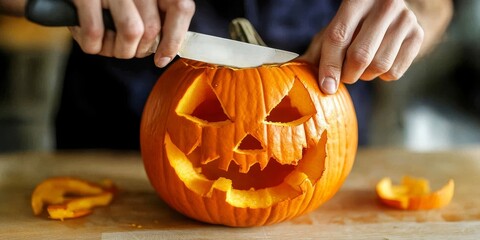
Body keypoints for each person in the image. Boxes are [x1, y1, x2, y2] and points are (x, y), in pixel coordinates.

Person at [0, 0, 453, 149]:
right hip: (111, 140)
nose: (247, 144)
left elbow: (436, 5)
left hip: (329, 116)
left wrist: (411, 11)